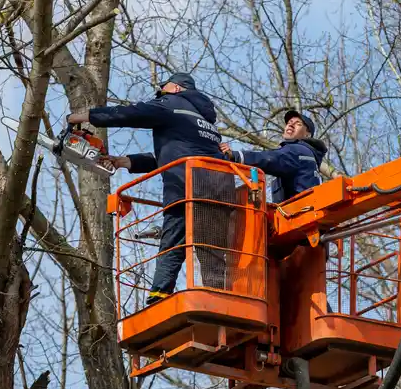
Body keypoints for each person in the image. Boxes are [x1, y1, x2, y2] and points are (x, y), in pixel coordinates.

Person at [67, 73, 231, 305]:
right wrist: (125, 161)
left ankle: (159, 296)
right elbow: (175, 155)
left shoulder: (172, 103)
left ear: (175, 88)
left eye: (162, 88)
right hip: (220, 191)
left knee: (173, 242)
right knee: (210, 249)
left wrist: (84, 117)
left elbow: (131, 113)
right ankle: (219, 300)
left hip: (186, 188)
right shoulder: (207, 125)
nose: (159, 92)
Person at [219, 110, 327, 203]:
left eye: (298, 123)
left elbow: (270, 159)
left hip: (301, 214)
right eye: (289, 122)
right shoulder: (308, 154)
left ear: (307, 135)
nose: (291, 124)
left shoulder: (298, 150)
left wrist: (236, 155)